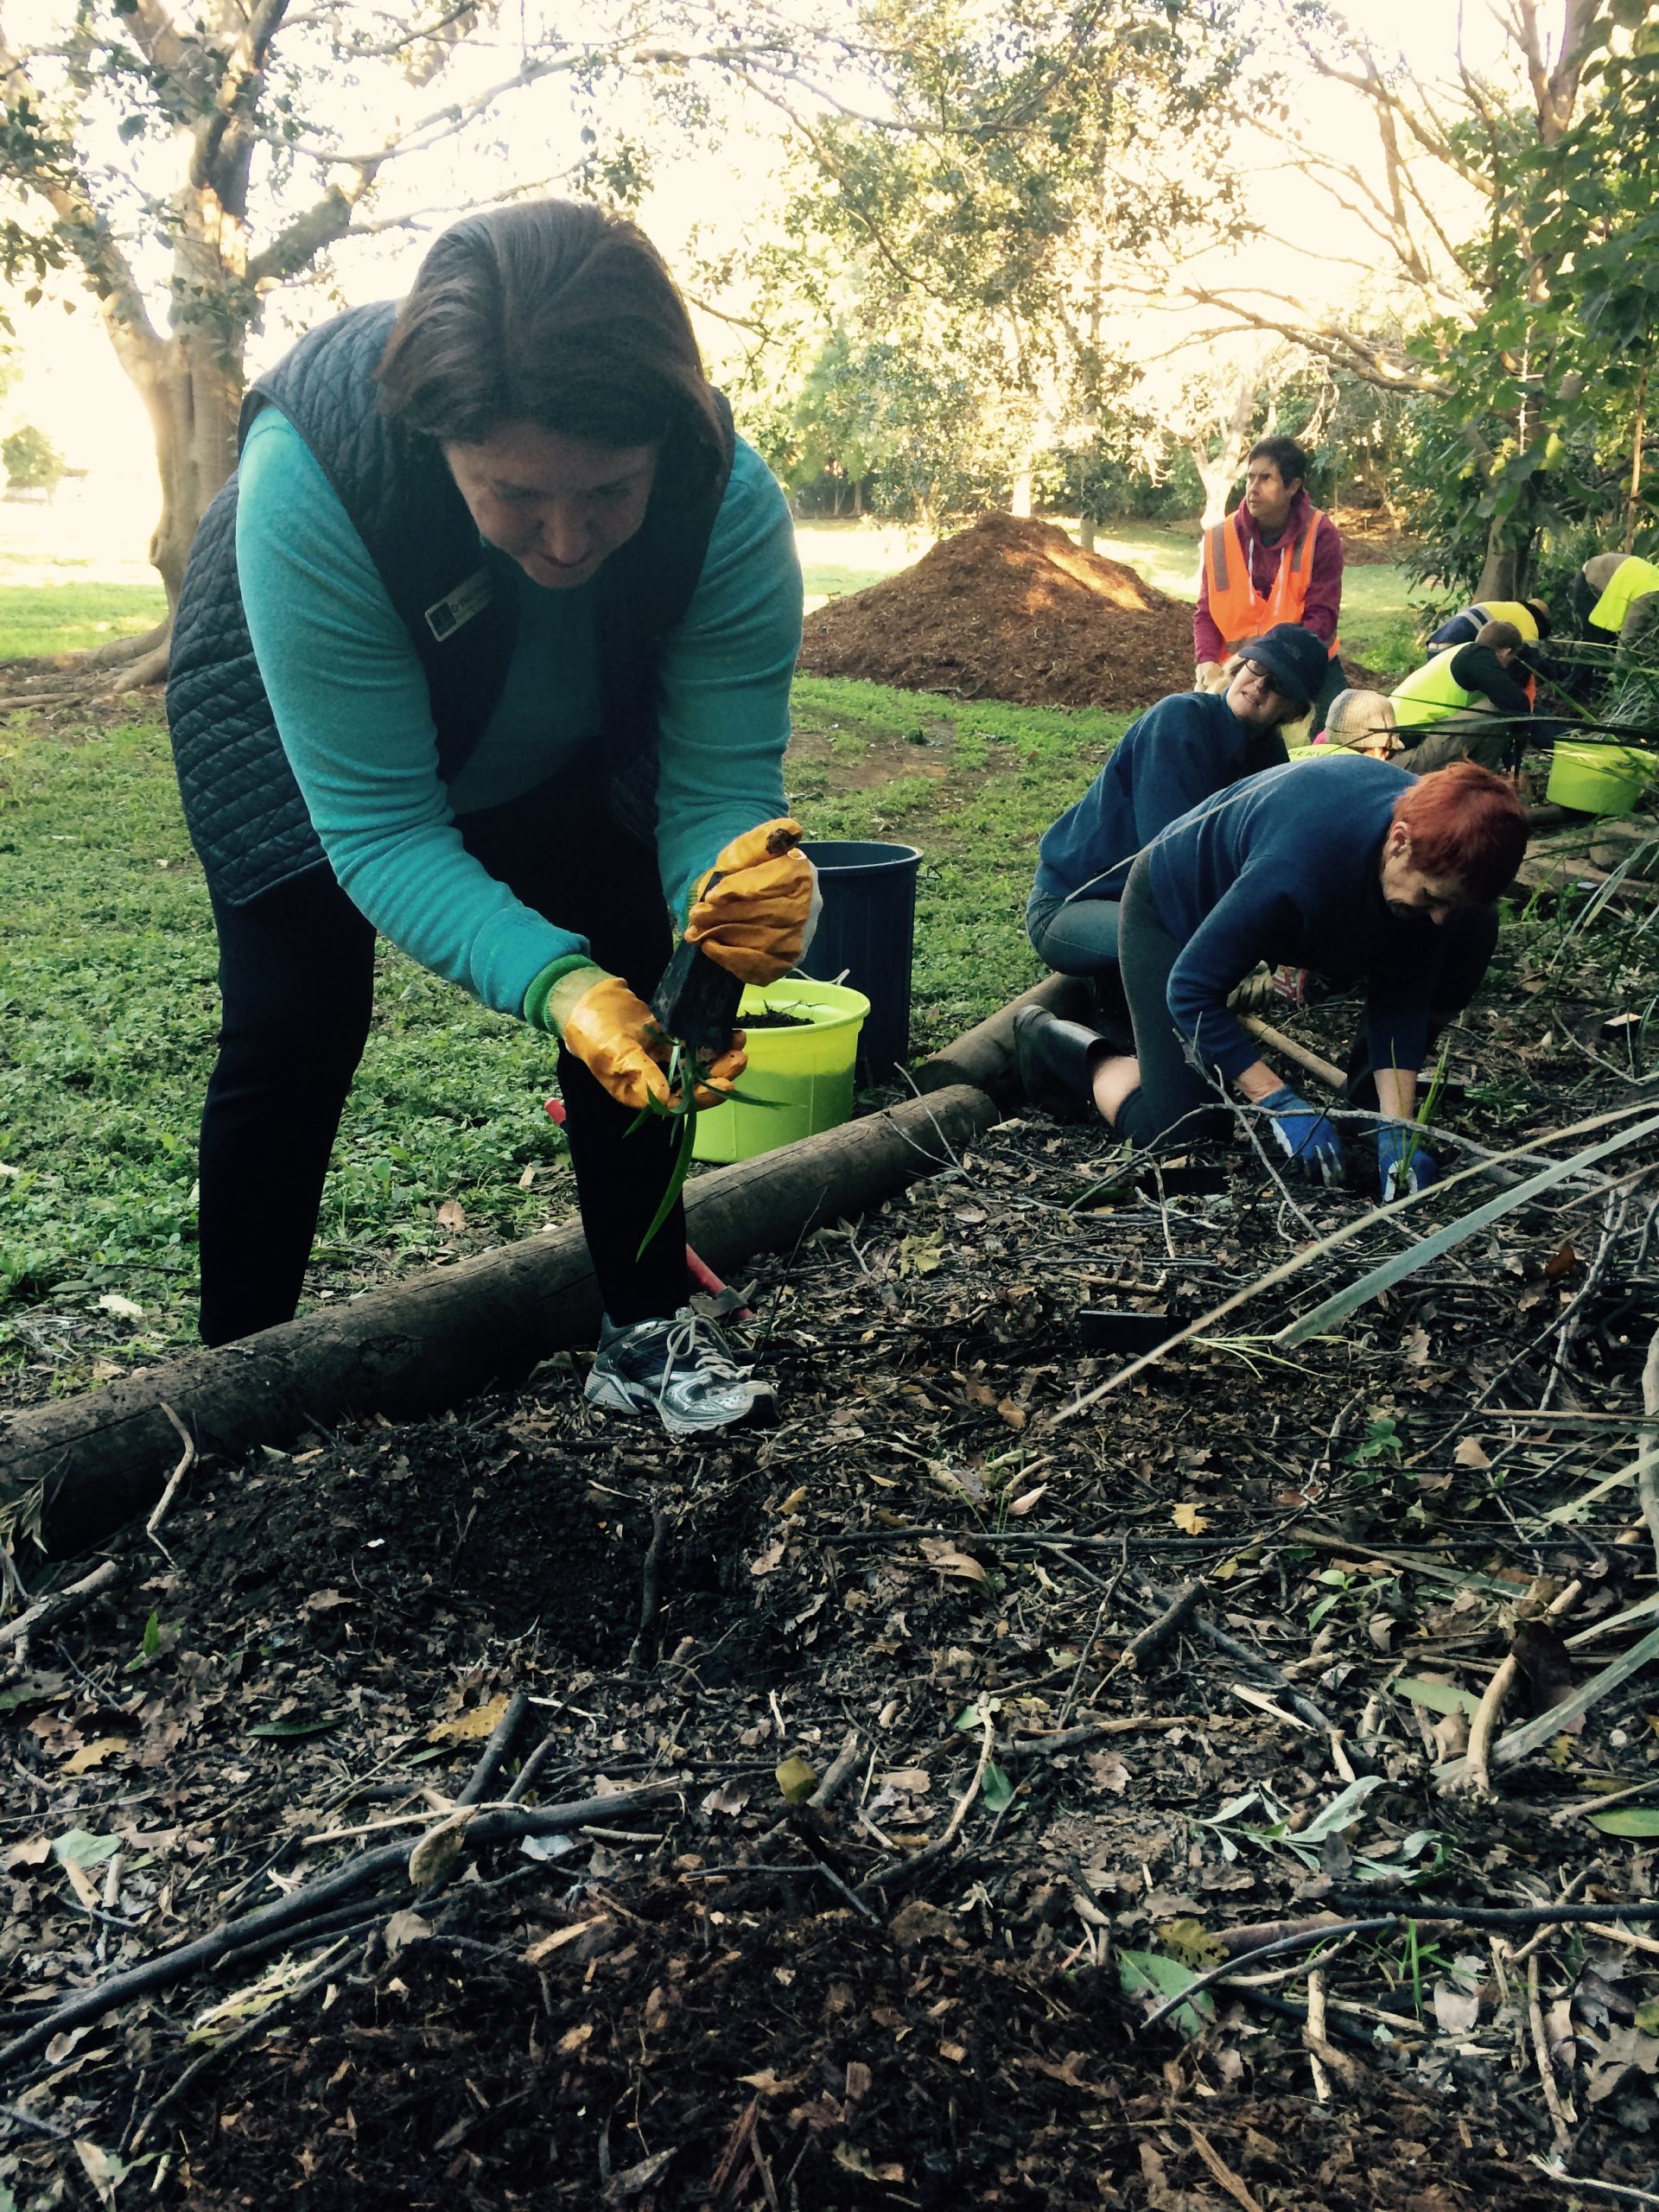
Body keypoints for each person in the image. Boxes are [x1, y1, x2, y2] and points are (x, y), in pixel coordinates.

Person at [167, 200, 814, 1436]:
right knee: (294, 1027)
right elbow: (383, 834)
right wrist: (554, 986)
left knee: (645, 982)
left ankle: (642, 1333)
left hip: (556, 741)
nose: (565, 541)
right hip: (296, 731)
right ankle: (235, 1388)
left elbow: (717, 784)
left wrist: (729, 898)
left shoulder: (725, 499)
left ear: (663, 441)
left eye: (608, 493)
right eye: (513, 495)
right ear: (438, 443)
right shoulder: (319, 472)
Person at [1014, 757, 1529, 1200]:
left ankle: (1370, 1113)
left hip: (1266, 910)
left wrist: (1400, 1129)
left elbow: (1401, 998)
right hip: (1174, 912)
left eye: (1450, 904)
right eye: (1432, 898)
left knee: (1470, 930)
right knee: (1179, 1132)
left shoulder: (1435, 868)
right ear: (1399, 842)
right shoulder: (1301, 865)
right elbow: (1192, 990)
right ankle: (1046, 1037)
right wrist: (1277, 1101)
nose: (1439, 917)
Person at [1025, 623, 1330, 995]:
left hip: (1139, 907)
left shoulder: (1268, 757)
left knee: (1213, 946)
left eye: (1278, 684)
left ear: (1294, 711)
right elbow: (1168, 863)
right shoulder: (1180, 720)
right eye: (1257, 668)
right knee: (1194, 951)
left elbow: (1269, 855)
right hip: (1070, 905)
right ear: (1239, 666)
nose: (1259, 686)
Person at [1194, 435, 1345, 723]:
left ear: (1293, 487)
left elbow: (1322, 619)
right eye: (1250, 477)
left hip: (1306, 662)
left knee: (1334, 739)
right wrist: (1207, 660)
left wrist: (1264, 659)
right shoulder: (1219, 538)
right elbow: (1206, 614)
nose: (1252, 489)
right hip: (1236, 670)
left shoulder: (1320, 533)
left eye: (1265, 479)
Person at [1389, 620, 1535, 771]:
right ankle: (1480, 783)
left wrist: (1508, 761)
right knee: (1496, 709)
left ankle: (1480, 780)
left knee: (1492, 711)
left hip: (1394, 749)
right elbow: (1517, 705)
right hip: (1403, 757)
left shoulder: (1459, 653)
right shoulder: (1476, 656)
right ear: (1505, 653)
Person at [1574, 552, 1659, 654]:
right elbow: (1627, 642)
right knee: (1595, 641)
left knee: (1619, 644)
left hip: (1629, 577)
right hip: (1594, 576)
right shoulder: (1647, 598)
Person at [1427, 597, 1551, 650]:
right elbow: (1531, 661)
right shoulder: (1528, 619)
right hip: (1455, 646)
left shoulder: (1510, 608)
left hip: (1435, 643)